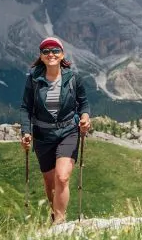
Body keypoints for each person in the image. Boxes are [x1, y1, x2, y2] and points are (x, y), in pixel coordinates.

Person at [19, 36, 91, 224]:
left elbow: (83, 103)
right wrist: (26, 132)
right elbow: (26, 108)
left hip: (68, 131)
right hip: (43, 135)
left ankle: (60, 222)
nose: (51, 54)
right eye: (46, 51)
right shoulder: (34, 79)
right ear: (41, 57)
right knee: (50, 183)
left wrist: (85, 117)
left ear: (62, 55)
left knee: (62, 177)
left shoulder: (74, 78)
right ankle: (54, 215)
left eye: (55, 51)